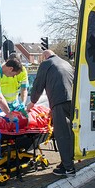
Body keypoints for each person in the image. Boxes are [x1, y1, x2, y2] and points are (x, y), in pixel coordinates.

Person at [27, 49, 75, 177]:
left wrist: (32, 102)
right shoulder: (66, 63)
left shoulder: (46, 64)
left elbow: (38, 85)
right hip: (73, 101)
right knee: (70, 133)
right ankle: (66, 162)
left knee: (62, 134)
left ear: (44, 57)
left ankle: (69, 168)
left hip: (59, 101)